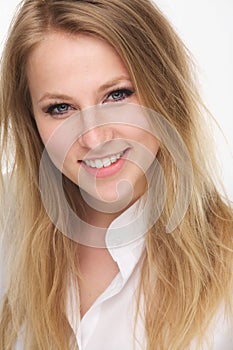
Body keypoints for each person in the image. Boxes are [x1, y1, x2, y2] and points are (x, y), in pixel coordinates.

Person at [0, 0, 232, 349]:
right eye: (60, 108)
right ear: (32, 121)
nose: (93, 138)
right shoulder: (8, 226)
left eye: (116, 95)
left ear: (165, 92)